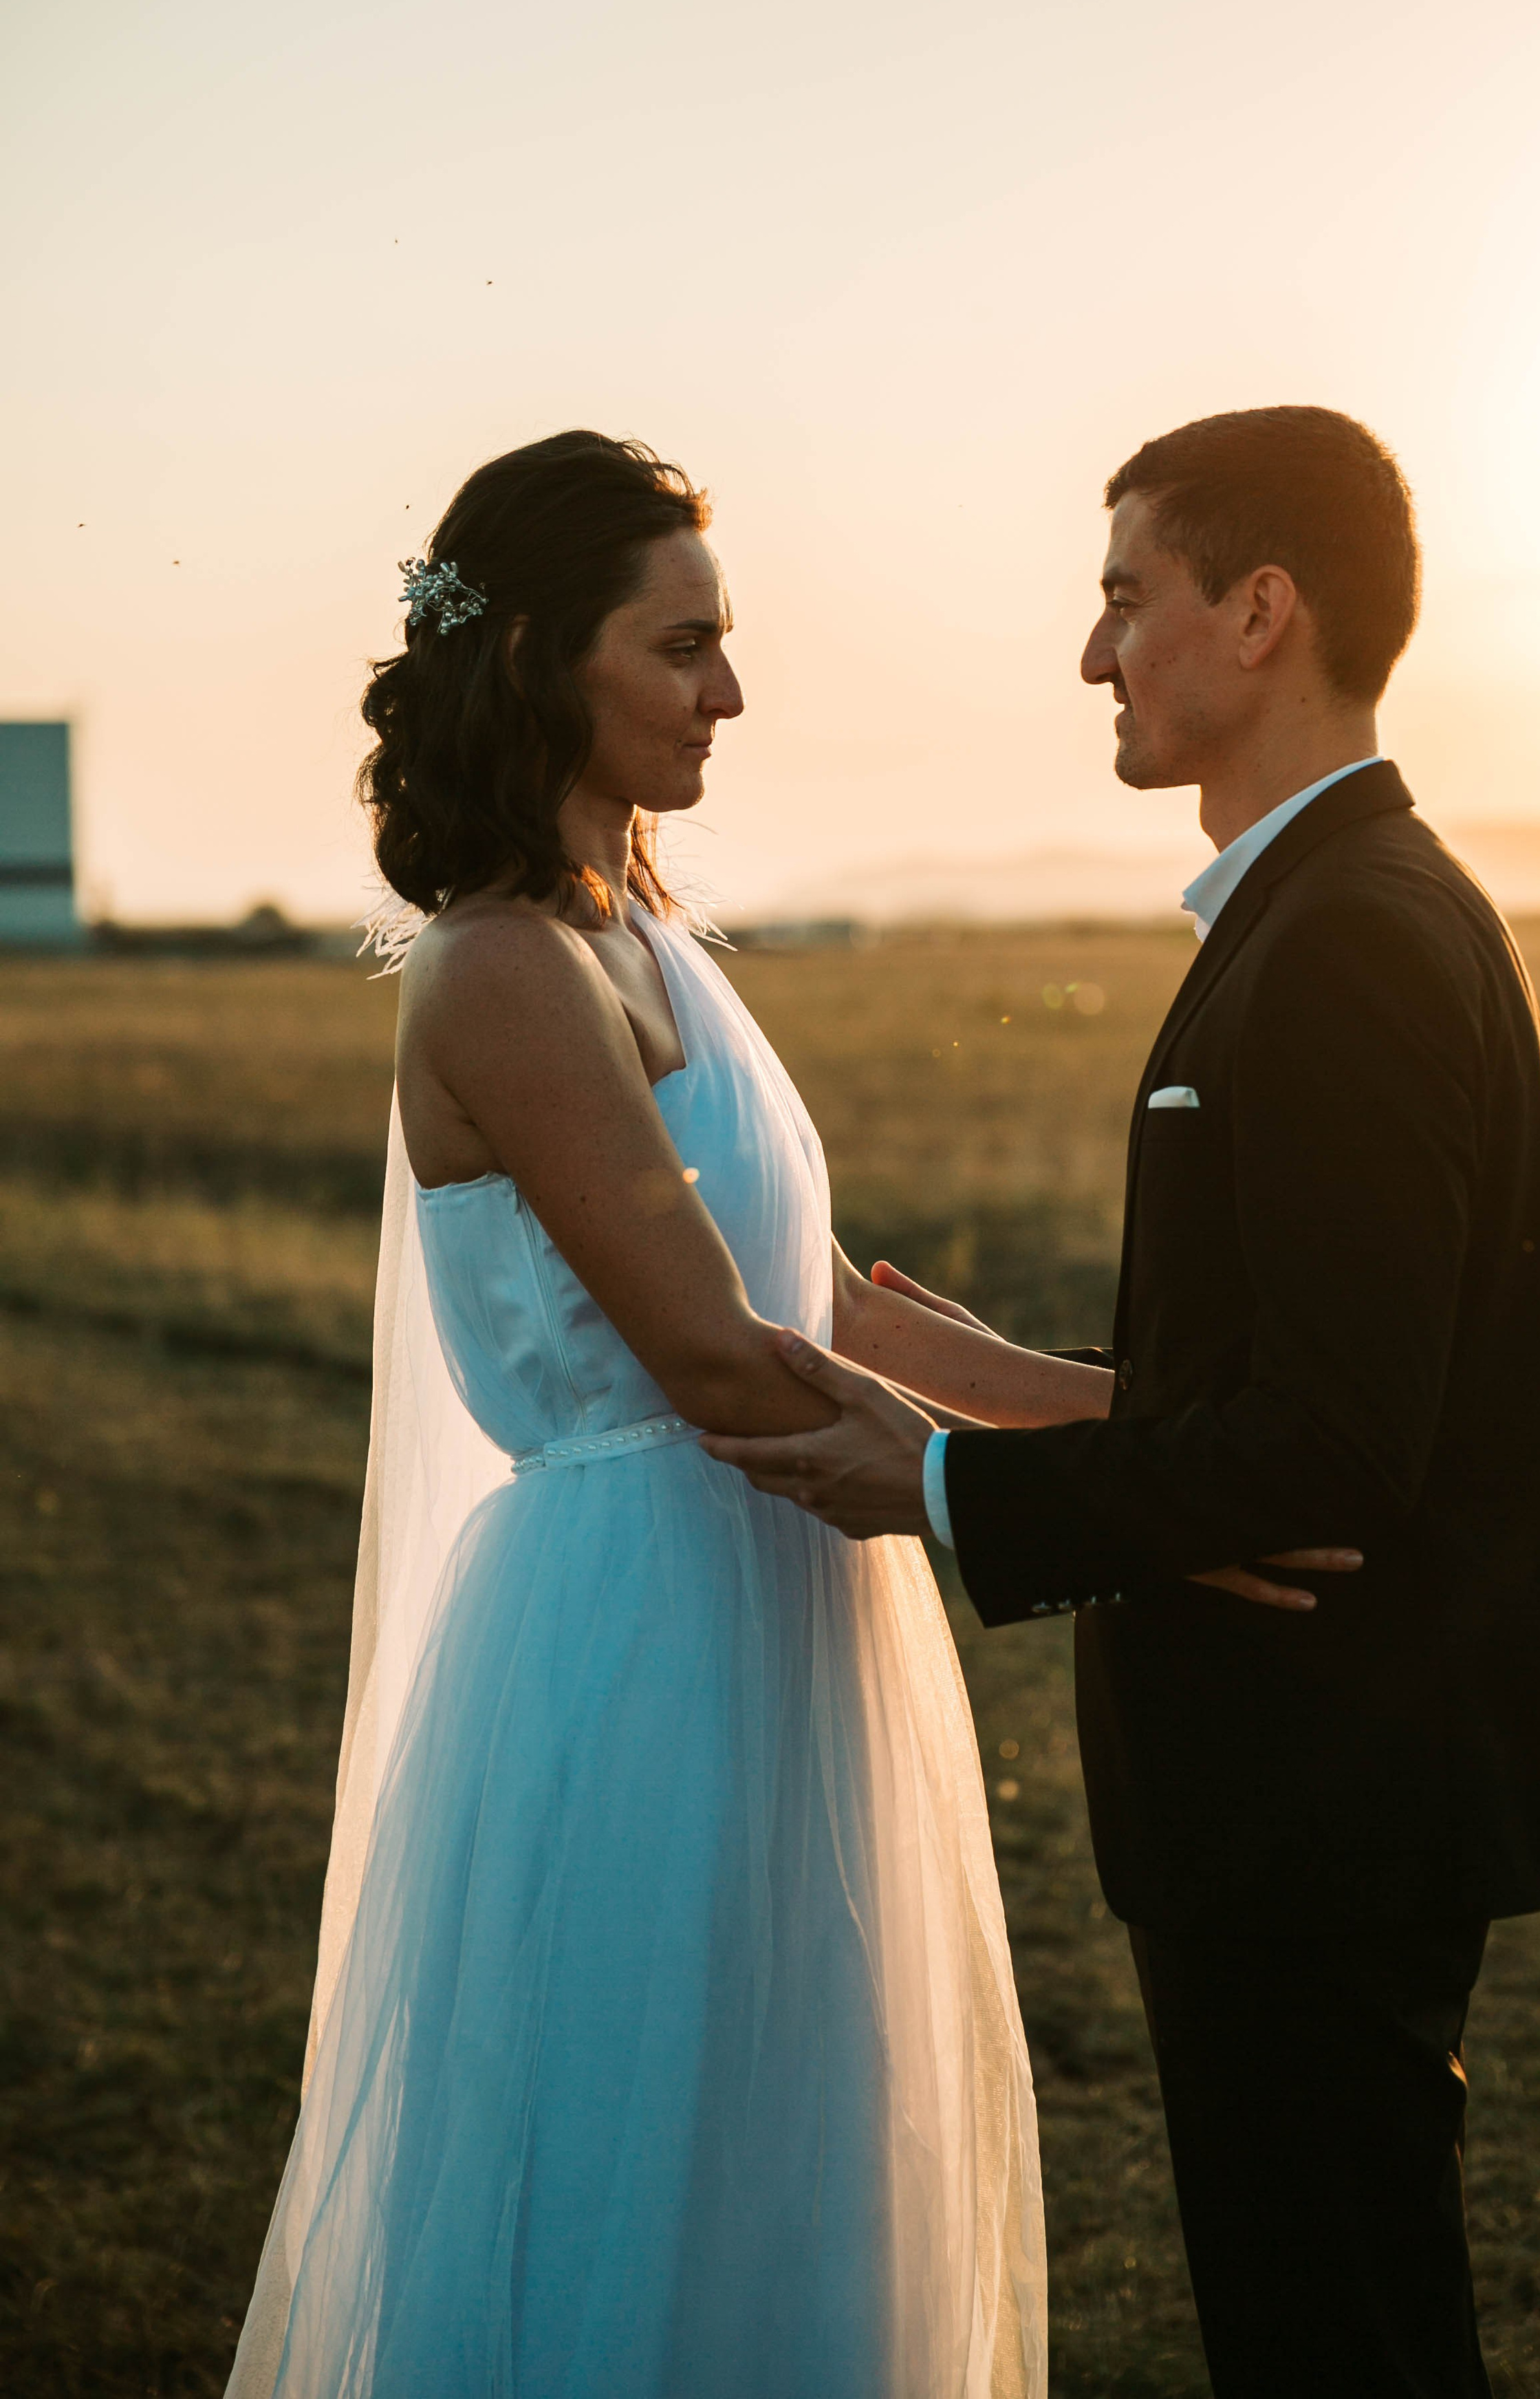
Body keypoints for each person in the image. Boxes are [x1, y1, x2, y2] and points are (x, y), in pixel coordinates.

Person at [224, 428, 1353, 2399]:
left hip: (787, 1607)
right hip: (638, 1641)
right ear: (539, 666)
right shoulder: (498, 972)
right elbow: (726, 1367)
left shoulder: (647, 935)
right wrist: (1121, 1502)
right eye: (682, 649)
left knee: (803, 2147)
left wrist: (1151, 1443)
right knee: (652, 2176)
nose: (730, 693)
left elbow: (829, 1306)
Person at [704, 407, 1540, 2399]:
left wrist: (931, 1485)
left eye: (1127, 596)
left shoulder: (1355, 938)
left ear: (1261, 611)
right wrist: (953, 1367)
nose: (1095, 653)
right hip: (1302, 1796)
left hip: (1319, 1798)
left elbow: (1333, 1446)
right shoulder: (1326, 912)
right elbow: (1263, 1389)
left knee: (1339, 2340)